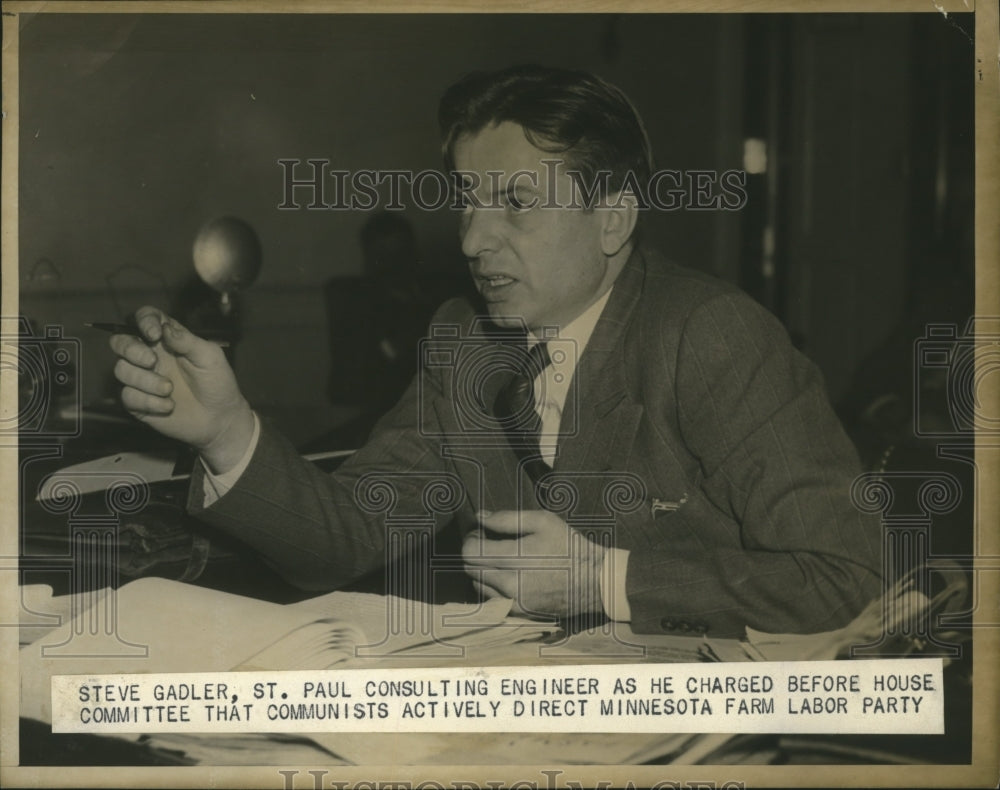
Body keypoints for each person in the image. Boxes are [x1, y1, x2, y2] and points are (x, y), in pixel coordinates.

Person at [109, 65, 882, 637]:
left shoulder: (711, 334)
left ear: (613, 219)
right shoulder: (464, 339)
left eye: (515, 204)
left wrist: (605, 579)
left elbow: (847, 574)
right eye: (467, 203)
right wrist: (226, 433)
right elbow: (346, 538)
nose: (474, 240)